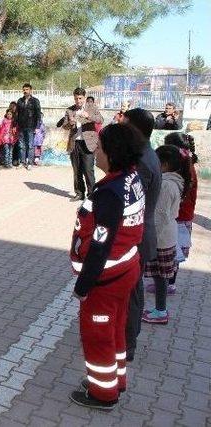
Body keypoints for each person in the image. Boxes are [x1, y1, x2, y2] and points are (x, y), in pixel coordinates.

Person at [69, 123, 146, 410]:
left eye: (99, 148)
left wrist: (83, 286)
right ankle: (116, 381)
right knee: (114, 329)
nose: (95, 152)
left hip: (106, 278)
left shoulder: (111, 193)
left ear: (113, 153)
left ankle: (102, 394)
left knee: (98, 334)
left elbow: (100, 245)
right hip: (125, 270)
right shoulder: (129, 178)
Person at [120, 108, 162, 362]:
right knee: (130, 293)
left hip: (138, 236)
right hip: (138, 234)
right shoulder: (143, 154)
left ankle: (127, 345)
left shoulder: (144, 161)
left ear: (135, 128)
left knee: (132, 295)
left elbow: (133, 202)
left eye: (125, 125)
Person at [142, 145, 189, 324]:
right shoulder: (172, 181)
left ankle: (160, 311)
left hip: (160, 237)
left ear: (165, 164)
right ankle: (159, 309)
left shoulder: (167, 185)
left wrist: (149, 237)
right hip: (164, 235)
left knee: (161, 277)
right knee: (160, 276)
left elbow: (159, 216)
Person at [162, 133, 198, 293]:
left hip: (179, 217)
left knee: (172, 252)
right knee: (173, 252)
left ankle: (169, 284)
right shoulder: (187, 165)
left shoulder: (183, 170)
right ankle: (169, 282)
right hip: (183, 216)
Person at [62, 87, 103, 202]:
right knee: (77, 170)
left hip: (88, 143)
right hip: (75, 143)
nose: (78, 101)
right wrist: (70, 123)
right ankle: (79, 193)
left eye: (80, 98)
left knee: (88, 170)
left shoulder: (92, 107)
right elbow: (64, 126)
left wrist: (88, 116)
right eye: (76, 98)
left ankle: (92, 195)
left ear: (84, 97)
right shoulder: (70, 110)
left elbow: (100, 120)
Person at [16, 83, 42, 170]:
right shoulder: (20, 101)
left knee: (30, 145)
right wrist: (15, 124)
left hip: (31, 126)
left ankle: (30, 163)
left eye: (27, 89)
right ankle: (22, 162)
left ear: (31, 90)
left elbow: (38, 114)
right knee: (21, 145)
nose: (25, 91)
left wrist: (37, 126)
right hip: (21, 126)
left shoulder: (35, 101)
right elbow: (17, 113)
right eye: (24, 89)